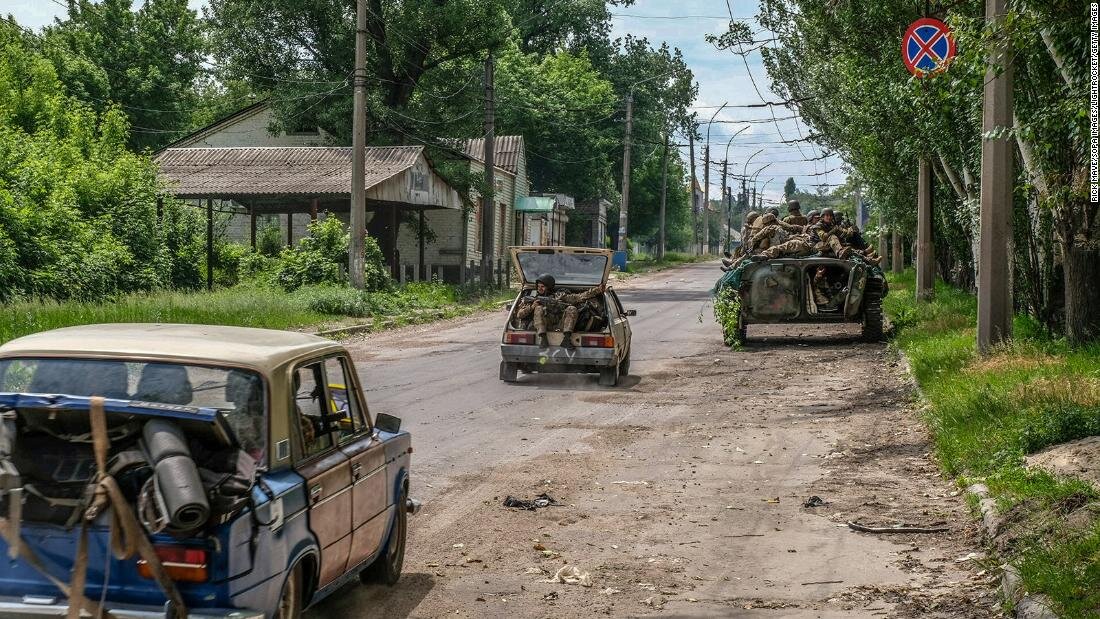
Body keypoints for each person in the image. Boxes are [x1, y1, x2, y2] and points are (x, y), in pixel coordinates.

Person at [514, 274, 606, 349]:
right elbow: (519, 315)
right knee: (538, 308)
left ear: (549, 287)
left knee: (572, 308)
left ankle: (566, 339)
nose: (539, 289)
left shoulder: (559, 296)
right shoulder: (533, 300)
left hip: (560, 325)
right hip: (544, 327)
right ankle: (543, 339)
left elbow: (580, 296)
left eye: (542, 287)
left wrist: (597, 290)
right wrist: (532, 307)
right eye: (538, 287)